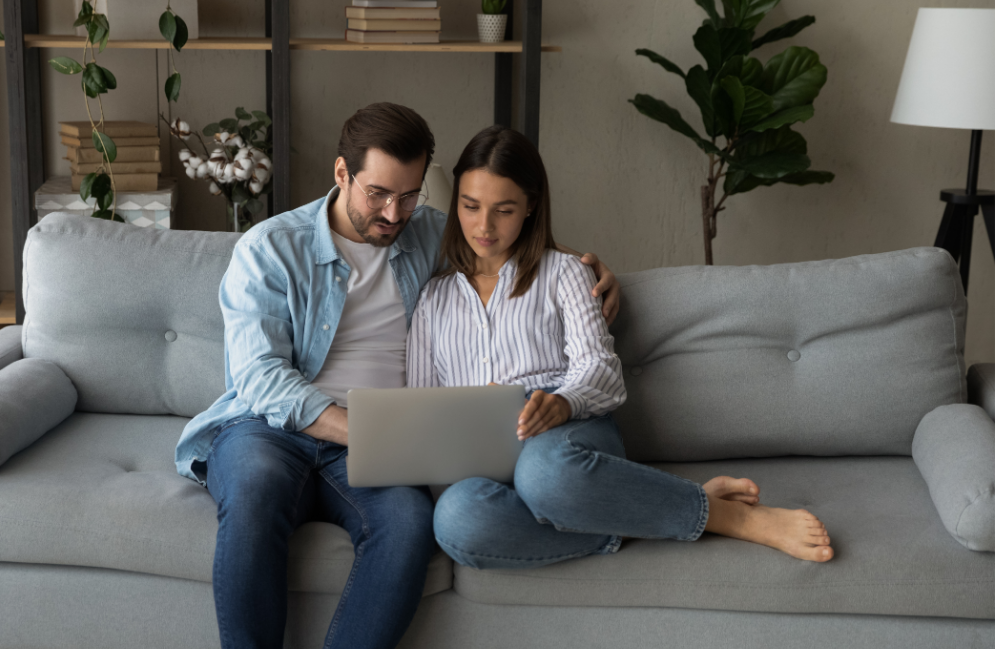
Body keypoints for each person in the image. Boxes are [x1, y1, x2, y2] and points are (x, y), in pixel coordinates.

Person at [174, 104, 622, 649]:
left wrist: (591, 267)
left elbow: (509, 237)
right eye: (378, 194)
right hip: (271, 428)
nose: (393, 213)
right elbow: (260, 376)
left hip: (388, 439)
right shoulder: (270, 248)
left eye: (410, 196)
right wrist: (358, 428)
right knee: (254, 492)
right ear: (342, 173)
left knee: (409, 523)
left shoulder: (427, 233)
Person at [409, 125, 835, 570]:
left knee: (544, 474)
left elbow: (600, 369)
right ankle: (668, 512)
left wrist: (561, 403)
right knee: (457, 518)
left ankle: (727, 518)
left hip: (565, 440)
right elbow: (420, 406)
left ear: (531, 206)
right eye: (470, 206)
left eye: (504, 210)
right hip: (483, 464)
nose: (484, 226)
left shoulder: (564, 273)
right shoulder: (433, 299)